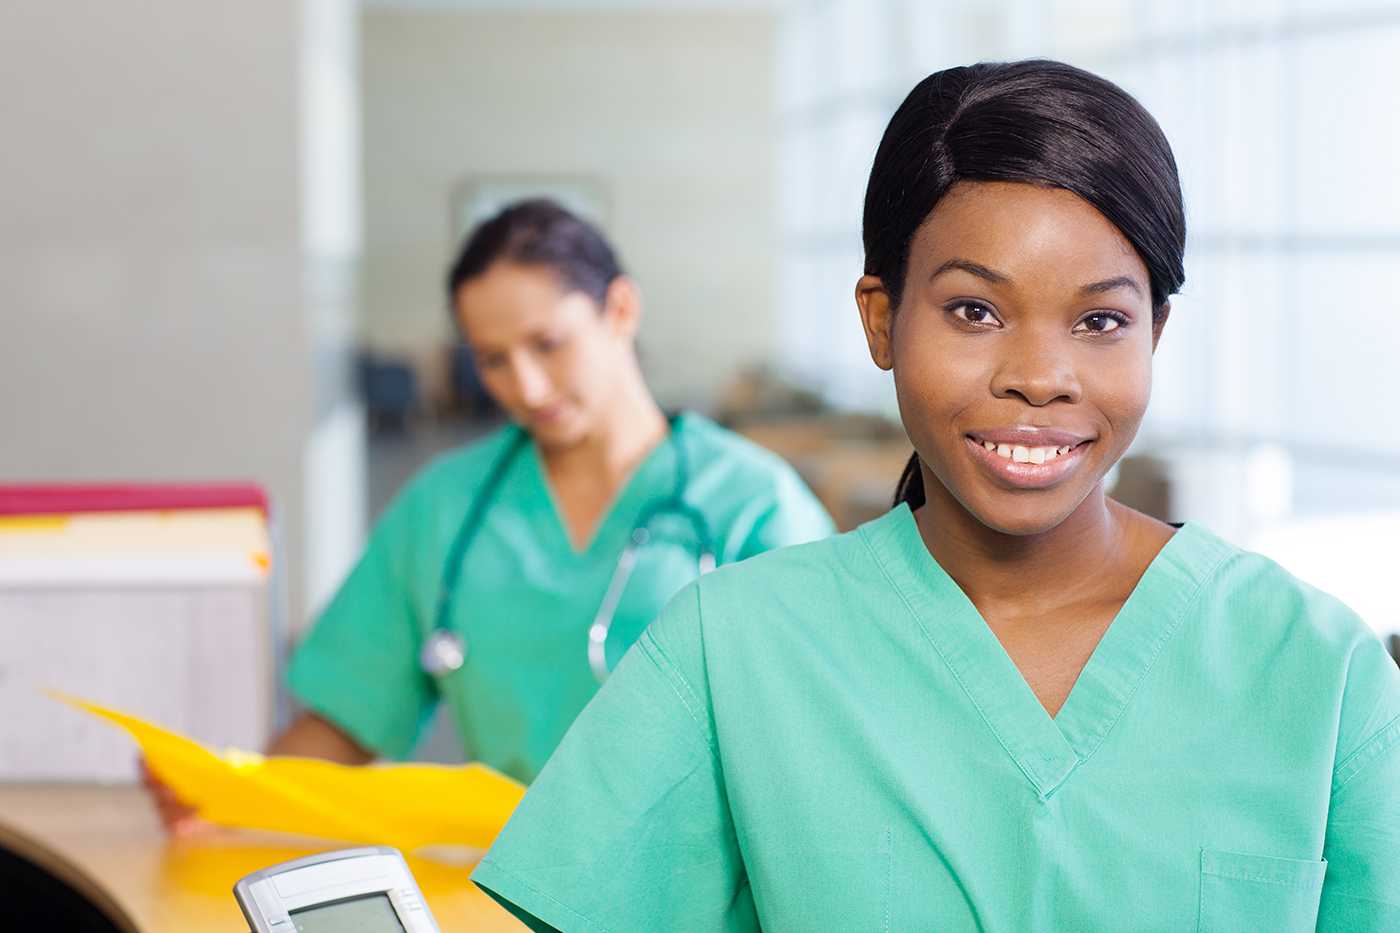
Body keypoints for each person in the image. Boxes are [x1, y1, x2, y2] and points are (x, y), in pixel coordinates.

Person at [469, 63, 1400, 931]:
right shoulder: (729, 654)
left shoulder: (1320, 673)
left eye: (1101, 320)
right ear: (882, 318)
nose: (1040, 377)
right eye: (975, 311)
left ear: (1154, 332)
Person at [148, 200, 834, 830]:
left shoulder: (754, 505)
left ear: (620, 310)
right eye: (493, 360)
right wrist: (229, 795)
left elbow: (822, 749)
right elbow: (347, 716)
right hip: (509, 886)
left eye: (548, 343)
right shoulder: (446, 506)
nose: (526, 387)